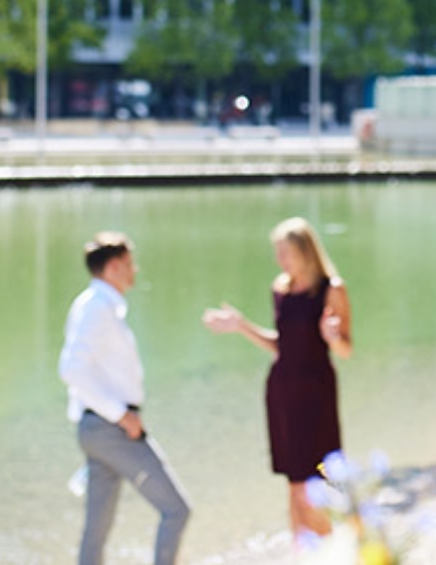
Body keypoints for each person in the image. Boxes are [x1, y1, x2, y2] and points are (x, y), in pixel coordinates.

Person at [202, 217, 354, 543]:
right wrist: (240, 325)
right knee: (293, 482)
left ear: (305, 251)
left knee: (314, 483)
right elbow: (281, 345)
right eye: (277, 253)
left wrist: (331, 337)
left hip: (315, 393)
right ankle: (301, 553)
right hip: (282, 390)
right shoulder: (280, 289)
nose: (279, 260)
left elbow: (346, 349)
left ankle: (332, 551)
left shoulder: (331, 289)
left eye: (284, 252)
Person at [59, 232, 191, 565]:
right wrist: (121, 416)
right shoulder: (97, 308)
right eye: (130, 264)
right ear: (114, 266)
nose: (135, 270)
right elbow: (71, 369)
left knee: (96, 528)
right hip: (110, 428)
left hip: (98, 429)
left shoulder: (96, 305)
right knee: (176, 510)